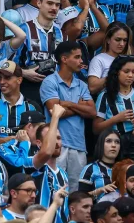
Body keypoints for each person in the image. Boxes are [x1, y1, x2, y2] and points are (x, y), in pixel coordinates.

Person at [41, 42, 96, 190]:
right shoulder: (49, 82)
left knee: (75, 194)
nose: (81, 61)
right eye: (77, 57)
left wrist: (69, 105)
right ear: (64, 59)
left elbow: (92, 112)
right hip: (57, 145)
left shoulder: (82, 85)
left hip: (79, 145)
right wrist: (79, 106)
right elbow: (55, 111)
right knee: (56, 190)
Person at [94, 56, 134, 164]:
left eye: (133, 72)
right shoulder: (105, 96)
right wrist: (116, 119)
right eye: (126, 71)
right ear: (116, 73)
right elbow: (96, 128)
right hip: (113, 142)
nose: (130, 75)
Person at [87, 23, 131, 95]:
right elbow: (92, 88)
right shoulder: (99, 59)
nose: (122, 44)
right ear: (108, 40)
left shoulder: (129, 60)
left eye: (125, 40)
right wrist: (114, 75)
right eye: (117, 40)